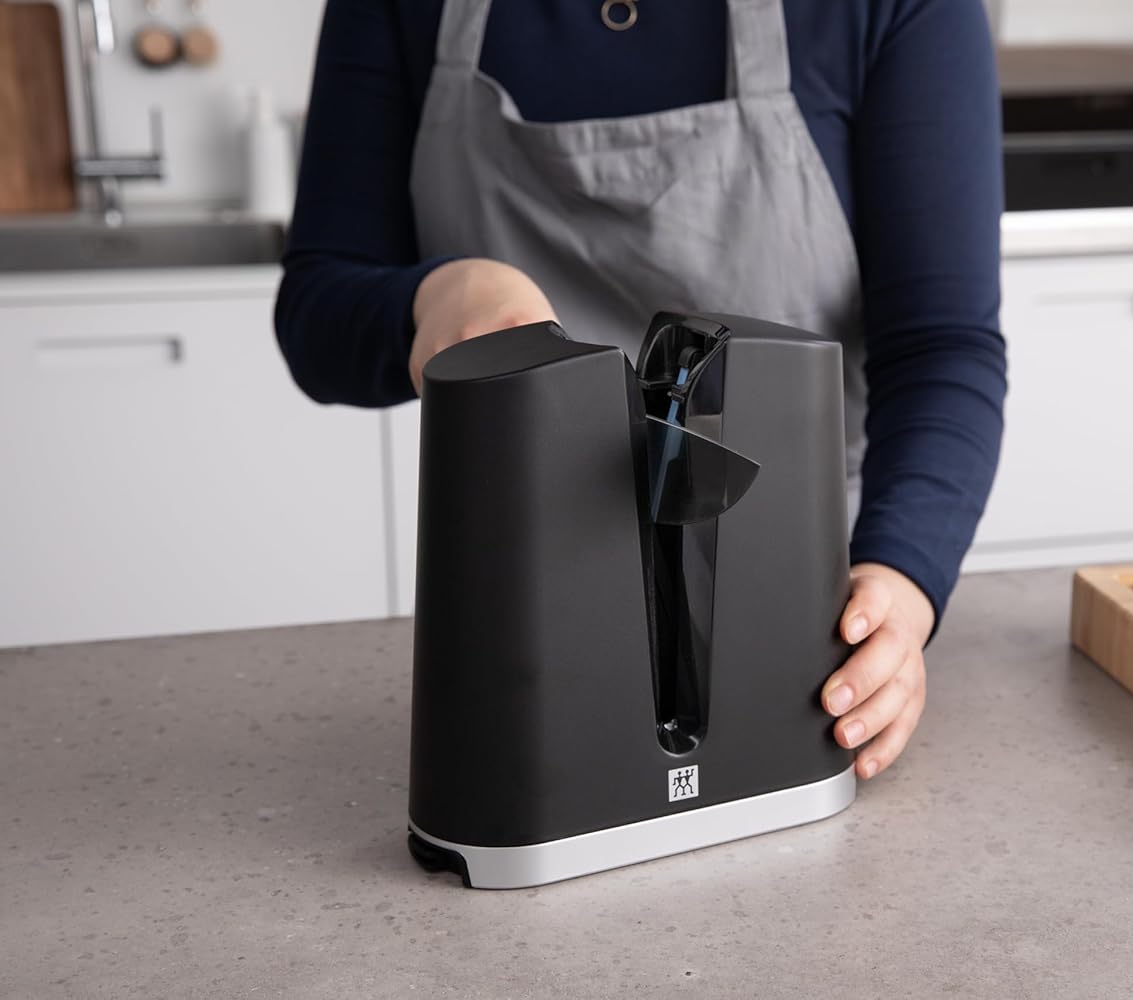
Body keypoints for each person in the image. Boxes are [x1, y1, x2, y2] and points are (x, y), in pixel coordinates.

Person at [275, 0, 1007, 781]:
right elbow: (317, 313)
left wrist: (900, 580)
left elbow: (941, 347)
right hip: (520, 605)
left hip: (794, 607)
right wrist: (435, 298)